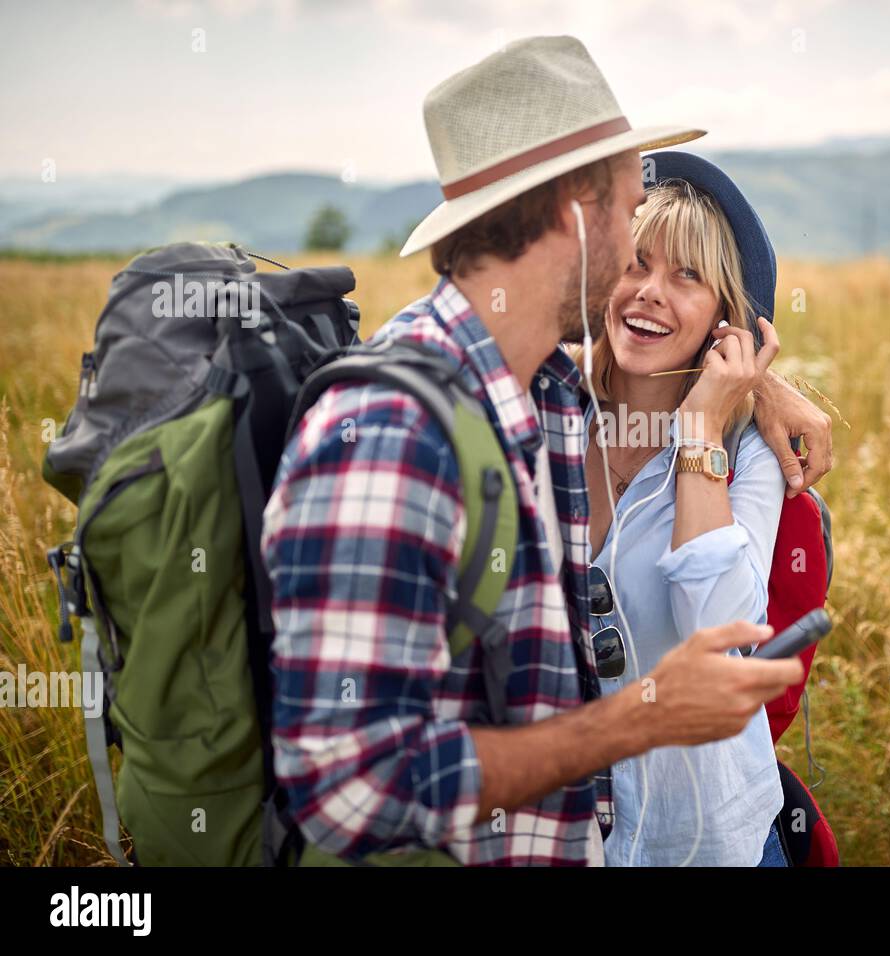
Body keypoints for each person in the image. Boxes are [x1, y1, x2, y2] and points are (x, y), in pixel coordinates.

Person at [260, 35, 831, 866]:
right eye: (631, 207)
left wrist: (754, 389)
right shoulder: (396, 430)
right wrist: (644, 715)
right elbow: (351, 785)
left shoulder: (546, 393)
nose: (638, 245)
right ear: (575, 211)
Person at [578, 152, 791, 866]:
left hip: (708, 846)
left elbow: (721, 632)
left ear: (727, 324)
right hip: (572, 840)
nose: (647, 294)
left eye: (686, 276)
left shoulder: (752, 457)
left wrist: (700, 428)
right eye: (634, 264)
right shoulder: (549, 413)